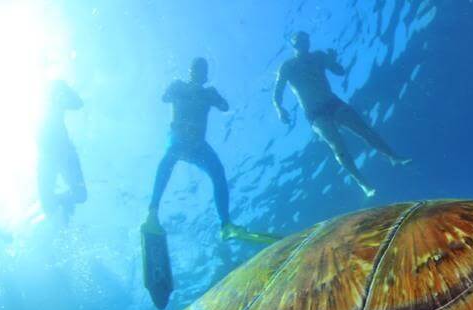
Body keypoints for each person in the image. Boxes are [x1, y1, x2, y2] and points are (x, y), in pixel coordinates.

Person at [274, 31, 410, 198]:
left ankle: (393, 157)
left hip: (332, 102)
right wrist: (279, 109)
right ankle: (363, 183)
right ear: (293, 45)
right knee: (338, 147)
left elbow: (340, 72)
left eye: (305, 39)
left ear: (308, 41)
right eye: (298, 40)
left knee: (364, 130)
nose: (302, 43)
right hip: (315, 113)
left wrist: (332, 60)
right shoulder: (287, 66)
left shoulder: (318, 56)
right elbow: (277, 91)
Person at [144, 58, 249, 240]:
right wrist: (175, 89)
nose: (200, 73)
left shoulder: (208, 93)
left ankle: (225, 225)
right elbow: (164, 98)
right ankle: (152, 213)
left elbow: (225, 107)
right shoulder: (179, 86)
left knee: (218, 172)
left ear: (206, 75)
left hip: (199, 146)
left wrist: (213, 96)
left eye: (203, 70)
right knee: (168, 160)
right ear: (191, 71)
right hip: (178, 139)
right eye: (197, 69)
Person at [38, 80, 87, 223]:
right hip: (48, 155)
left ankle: (64, 205)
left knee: (80, 194)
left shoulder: (56, 94)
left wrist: (62, 89)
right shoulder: (40, 103)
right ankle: (64, 208)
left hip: (63, 152)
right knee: (49, 204)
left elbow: (78, 103)